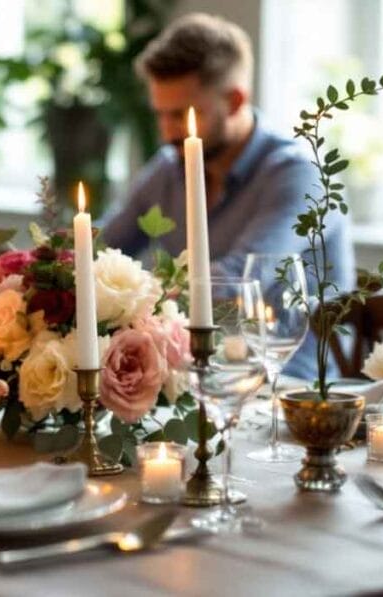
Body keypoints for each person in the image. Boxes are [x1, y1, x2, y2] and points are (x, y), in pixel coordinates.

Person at [98, 13, 354, 379]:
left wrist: (129, 296)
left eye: (183, 115)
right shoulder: (170, 167)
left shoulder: (301, 175)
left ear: (234, 100)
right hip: (199, 375)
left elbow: (236, 282)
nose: (168, 132)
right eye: (160, 115)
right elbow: (104, 244)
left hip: (291, 388)